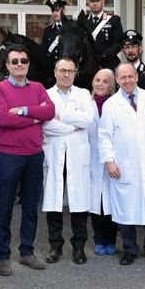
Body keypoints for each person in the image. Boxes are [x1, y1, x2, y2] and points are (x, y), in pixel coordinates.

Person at [0, 44, 56, 276]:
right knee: (5, 208)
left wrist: (24, 111)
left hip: (35, 155)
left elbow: (50, 112)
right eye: (15, 61)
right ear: (7, 65)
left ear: (29, 64)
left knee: (30, 208)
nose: (20, 65)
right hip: (9, 155)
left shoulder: (38, 87)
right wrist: (36, 117)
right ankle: (3, 256)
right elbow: (4, 119)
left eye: (23, 61)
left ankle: (27, 252)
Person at [98, 63, 145, 266]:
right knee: (125, 207)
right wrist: (109, 161)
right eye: (122, 77)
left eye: (130, 76)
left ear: (137, 76)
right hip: (123, 164)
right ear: (117, 79)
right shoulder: (110, 105)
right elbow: (104, 136)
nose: (127, 80)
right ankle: (130, 249)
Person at [42, 57, 95, 264]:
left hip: (76, 156)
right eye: (62, 70)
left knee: (78, 203)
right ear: (55, 72)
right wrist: (73, 124)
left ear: (75, 73)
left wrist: (60, 118)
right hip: (55, 155)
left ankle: (79, 247)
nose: (66, 75)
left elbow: (87, 119)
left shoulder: (83, 94)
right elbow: (45, 125)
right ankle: (55, 246)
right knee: (53, 203)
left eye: (70, 71)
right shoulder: (46, 95)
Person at [88, 68, 118, 256]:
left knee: (112, 200)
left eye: (105, 81)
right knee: (96, 202)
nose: (100, 84)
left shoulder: (116, 105)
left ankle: (111, 240)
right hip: (91, 158)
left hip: (113, 159)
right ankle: (99, 240)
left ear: (112, 86)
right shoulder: (86, 104)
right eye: (97, 80)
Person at [85, 0, 123, 70]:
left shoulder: (113, 20)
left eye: (97, 1)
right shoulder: (83, 20)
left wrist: (104, 55)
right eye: (92, 1)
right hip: (88, 65)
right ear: (88, 3)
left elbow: (118, 43)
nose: (94, 4)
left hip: (108, 63)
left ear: (103, 2)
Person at [41, 0, 68, 68]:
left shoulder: (71, 28)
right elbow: (43, 51)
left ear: (64, 11)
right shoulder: (48, 31)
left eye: (58, 10)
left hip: (67, 68)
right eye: (53, 11)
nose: (55, 13)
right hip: (51, 69)